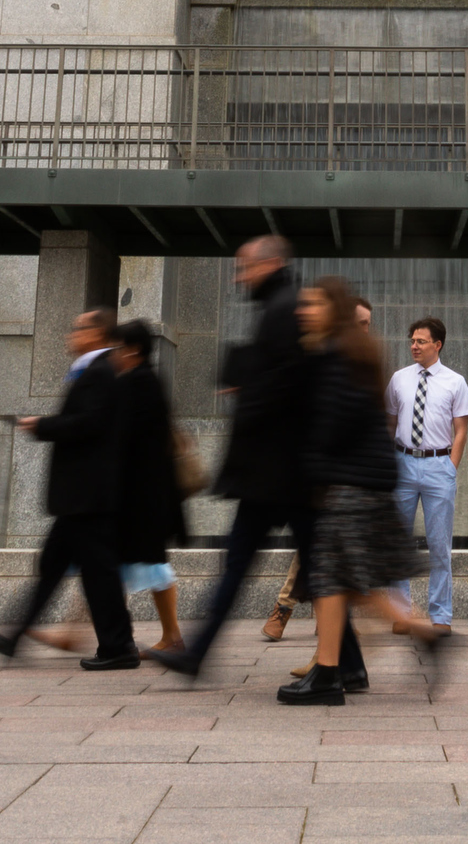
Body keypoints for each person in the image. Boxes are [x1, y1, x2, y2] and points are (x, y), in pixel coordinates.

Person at [152, 237, 361, 686]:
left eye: (244, 269)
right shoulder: (282, 305)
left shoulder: (286, 307)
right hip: (280, 472)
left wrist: (245, 390)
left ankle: (200, 653)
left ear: (269, 264)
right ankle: (351, 663)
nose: (238, 277)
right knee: (303, 566)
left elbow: (287, 383)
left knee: (262, 564)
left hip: (279, 471)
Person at [279, 276, 448, 705]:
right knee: (340, 579)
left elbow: (333, 427)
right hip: (364, 478)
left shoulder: (336, 354)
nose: (305, 310)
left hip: (349, 483)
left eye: (313, 304)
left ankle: (330, 673)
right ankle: (345, 666)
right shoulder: (354, 352)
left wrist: (305, 470)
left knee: (332, 578)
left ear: (331, 310)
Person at [0, 307, 140, 669]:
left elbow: (89, 423)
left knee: (96, 572)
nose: (72, 334)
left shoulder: (100, 371)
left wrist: (42, 425)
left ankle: (118, 647)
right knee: (58, 566)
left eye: (78, 328)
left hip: (89, 495)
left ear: (97, 334)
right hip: (83, 497)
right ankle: (15, 637)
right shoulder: (96, 370)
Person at [264, 296, 371, 646]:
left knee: (331, 558)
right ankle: (291, 614)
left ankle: (312, 624)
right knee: (318, 554)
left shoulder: (362, 361)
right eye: (359, 322)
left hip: (351, 478)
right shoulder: (327, 356)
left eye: (367, 323)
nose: (364, 329)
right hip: (325, 477)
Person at [110, 318, 191, 654]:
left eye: (118, 348)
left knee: (148, 566)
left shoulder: (139, 383)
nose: (113, 354)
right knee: (126, 564)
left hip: (142, 498)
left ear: (132, 350)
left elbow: (129, 441)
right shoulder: (145, 381)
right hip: (145, 496)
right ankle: (160, 635)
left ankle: (160, 636)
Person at [388, 315, 468, 628]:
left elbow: (461, 429)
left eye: (421, 341)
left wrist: (451, 466)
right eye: (412, 341)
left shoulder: (455, 381)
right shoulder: (398, 378)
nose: (414, 346)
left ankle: (440, 615)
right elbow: (390, 423)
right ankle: (401, 612)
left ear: (438, 345)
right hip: (403, 463)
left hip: (439, 465)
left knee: (439, 545)